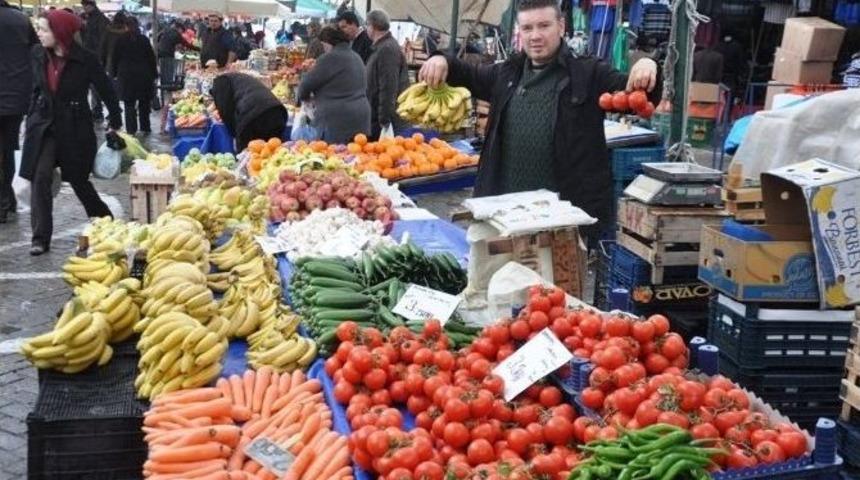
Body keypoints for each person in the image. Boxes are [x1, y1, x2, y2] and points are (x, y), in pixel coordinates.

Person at [419, 0, 659, 244]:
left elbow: (636, 95)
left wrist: (647, 65)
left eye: (544, 26)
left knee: (553, 282)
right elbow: (468, 73)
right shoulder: (507, 73)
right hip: (505, 214)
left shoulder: (588, 73)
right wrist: (442, 60)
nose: (535, 36)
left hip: (560, 220)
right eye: (527, 28)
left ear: (561, 26)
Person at [21, 10, 122, 255]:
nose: (40, 34)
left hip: (74, 127)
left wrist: (115, 119)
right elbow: (35, 87)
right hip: (44, 126)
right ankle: (40, 237)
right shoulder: (37, 55)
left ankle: (105, 220)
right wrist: (30, 114)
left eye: (44, 29)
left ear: (60, 33)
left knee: (77, 179)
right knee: (41, 176)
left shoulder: (85, 58)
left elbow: (105, 88)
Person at [296, 26, 370, 144]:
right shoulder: (356, 57)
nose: (324, 49)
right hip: (361, 118)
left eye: (323, 46)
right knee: (353, 157)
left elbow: (304, 87)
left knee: (334, 158)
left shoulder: (329, 58)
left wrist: (306, 98)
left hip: (336, 120)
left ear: (328, 43)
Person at [0, 0, 37, 223]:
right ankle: (8, 200)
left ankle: (3, 203)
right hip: (16, 96)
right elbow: (35, 52)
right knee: (9, 147)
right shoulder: (21, 19)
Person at [209, 72, 287, 152]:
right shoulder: (238, 79)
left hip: (254, 116)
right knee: (274, 152)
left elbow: (226, 112)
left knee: (247, 156)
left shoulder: (220, 82)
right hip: (277, 111)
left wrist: (236, 135)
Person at [364, 10, 409, 139]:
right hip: (378, 115)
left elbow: (388, 86)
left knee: (385, 156)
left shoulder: (387, 49)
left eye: (367, 25)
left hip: (386, 121)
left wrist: (384, 119)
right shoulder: (382, 47)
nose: (366, 29)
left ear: (373, 26)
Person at [112, 16, 157, 135]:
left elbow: (114, 59)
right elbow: (151, 58)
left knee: (129, 104)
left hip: (126, 77)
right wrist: (154, 75)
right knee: (144, 103)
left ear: (125, 26)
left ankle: (131, 130)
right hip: (144, 75)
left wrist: (114, 74)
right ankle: (145, 128)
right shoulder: (144, 39)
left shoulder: (120, 40)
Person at [80, 0, 108, 121]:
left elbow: (101, 40)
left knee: (96, 85)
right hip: (91, 55)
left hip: (95, 56)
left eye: (85, 5)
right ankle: (97, 110)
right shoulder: (91, 18)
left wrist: (99, 56)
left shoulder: (99, 19)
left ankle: (98, 111)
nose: (84, 8)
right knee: (94, 85)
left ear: (91, 5)